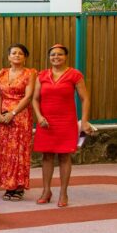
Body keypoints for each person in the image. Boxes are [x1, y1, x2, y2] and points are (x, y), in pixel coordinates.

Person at [32, 44, 94, 208]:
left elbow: (85, 99)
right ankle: (46, 191)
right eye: (53, 55)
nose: (56, 57)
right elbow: (35, 99)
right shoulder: (42, 75)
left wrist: (85, 120)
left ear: (66, 56)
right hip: (46, 123)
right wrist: (39, 117)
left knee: (65, 156)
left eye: (59, 54)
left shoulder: (74, 75)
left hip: (66, 122)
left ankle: (63, 192)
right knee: (47, 157)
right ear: (49, 57)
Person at [0, 44, 37, 201]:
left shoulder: (30, 73)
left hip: (20, 116)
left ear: (25, 57)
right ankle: (8, 185)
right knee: (5, 151)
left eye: (20, 53)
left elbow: (28, 96)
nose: (17, 55)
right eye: (14, 53)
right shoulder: (2, 72)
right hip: (3, 117)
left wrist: (13, 113)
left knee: (19, 151)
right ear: (8, 56)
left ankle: (18, 186)